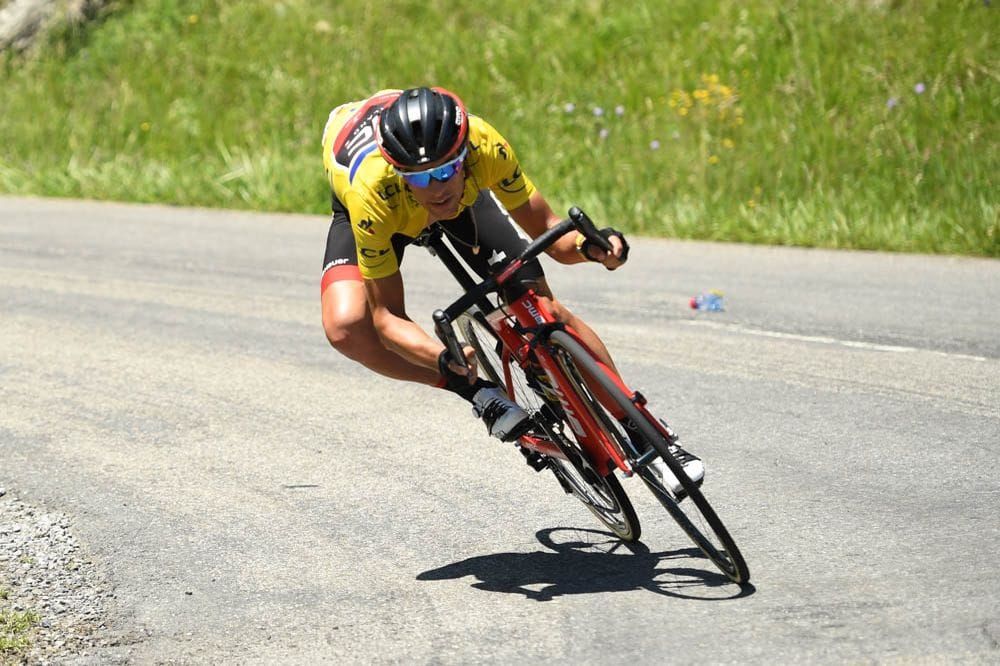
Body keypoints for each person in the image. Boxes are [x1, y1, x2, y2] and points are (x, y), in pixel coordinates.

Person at [320, 86, 703, 494]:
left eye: (446, 169)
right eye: (420, 177)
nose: (436, 188)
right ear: (399, 172)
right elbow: (386, 317)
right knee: (346, 326)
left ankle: (647, 432)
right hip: (387, 212)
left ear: (465, 155)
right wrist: (442, 358)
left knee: (543, 310)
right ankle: (480, 393)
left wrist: (594, 248)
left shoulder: (486, 147)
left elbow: (552, 236)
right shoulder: (373, 194)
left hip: (461, 197)